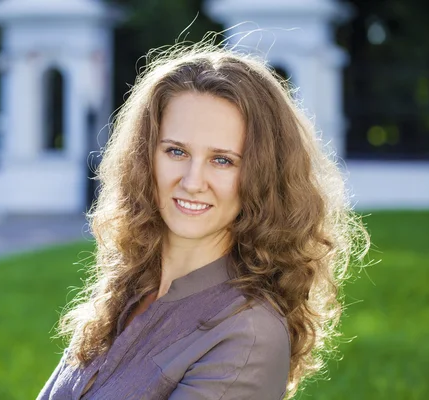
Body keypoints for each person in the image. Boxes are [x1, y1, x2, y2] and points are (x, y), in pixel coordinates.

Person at [36, 40, 370, 400]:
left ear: (261, 176)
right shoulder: (127, 291)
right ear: (145, 157)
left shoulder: (247, 337)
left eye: (222, 160)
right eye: (176, 151)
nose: (193, 182)